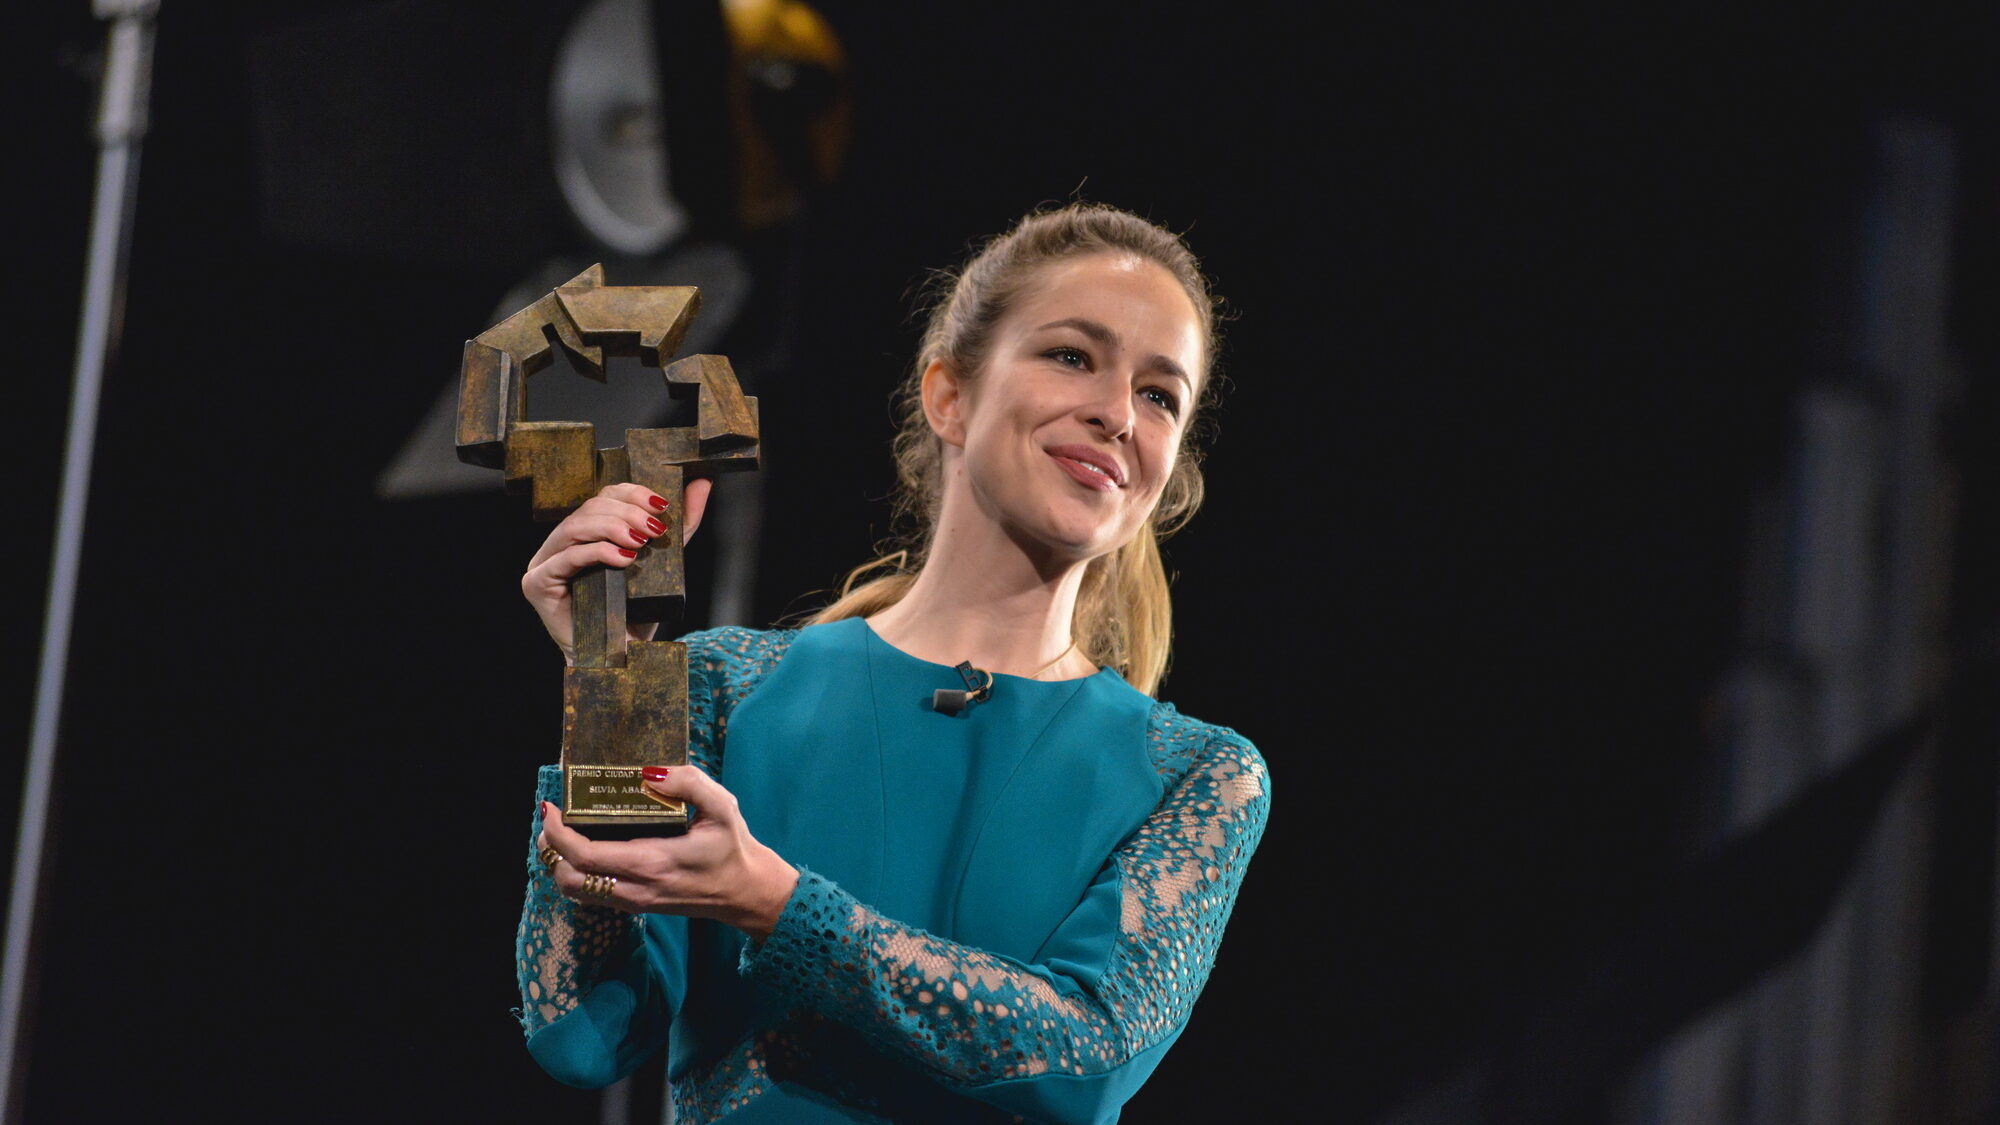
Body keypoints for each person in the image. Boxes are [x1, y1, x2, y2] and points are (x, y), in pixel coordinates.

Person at [513, 202, 1271, 1123]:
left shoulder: (1198, 774)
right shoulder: (725, 687)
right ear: (949, 394)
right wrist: (610, 677)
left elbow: (1084, 1055)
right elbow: (581, 1028)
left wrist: (782, 907)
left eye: (1160, 394)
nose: (1117, 412)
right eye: (1073, 355)